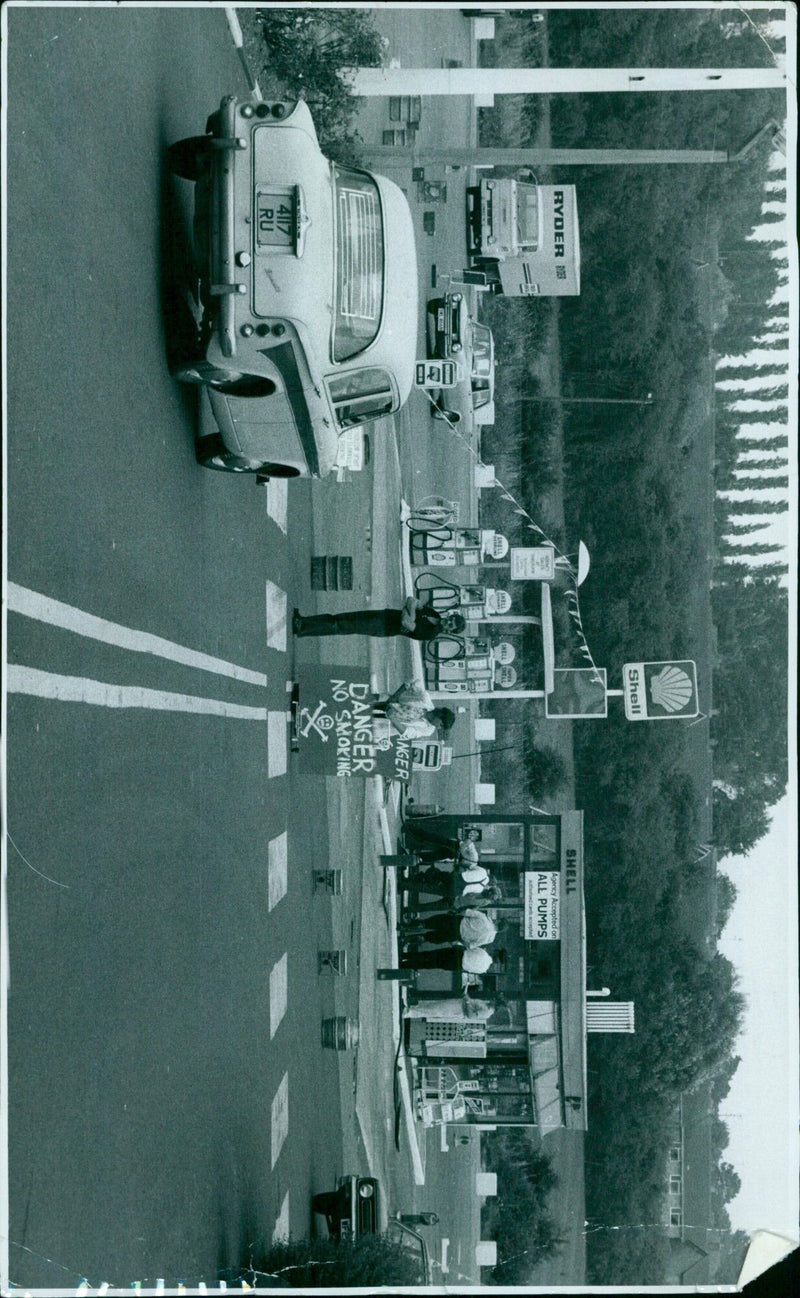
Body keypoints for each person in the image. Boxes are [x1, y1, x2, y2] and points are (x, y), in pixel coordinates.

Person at [292, 597, 465, 642]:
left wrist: (409, 613)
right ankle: (305, 620)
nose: (448, 623)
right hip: (384, 614)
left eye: (451, 626)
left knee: (341, 626)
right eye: (451, 620)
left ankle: (303, 629)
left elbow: (406, 622)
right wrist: (410, 612)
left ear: (450, 631)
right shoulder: (434, 615)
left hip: (383, 626)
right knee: (339, 617)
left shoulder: (431, 633)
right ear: (450, 616)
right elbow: (411, 600)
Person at [372, 681, 456, 740]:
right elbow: (410, 684)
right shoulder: (425, 699)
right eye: (441, 724)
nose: (439, 727)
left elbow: (407, 733)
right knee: (362, 704)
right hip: (384, 704)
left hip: (383, 724)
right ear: (440, 715)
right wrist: (395, 697)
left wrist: (392, 718)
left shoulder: (428, 730)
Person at [400, 908, 498, 950]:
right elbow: (469, 945)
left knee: (428, 923)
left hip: (454, 921)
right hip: (456, 935)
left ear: (498, 921)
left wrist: (456, 914)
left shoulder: (484, 918)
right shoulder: (489, 939)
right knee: (429, 938)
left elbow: (466, 912)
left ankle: (405, 926)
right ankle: (406, 940)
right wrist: (459, 939)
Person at [400, 946, 506, 975]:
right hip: (456, 966)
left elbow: (469, 948)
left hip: (456, 954)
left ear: (496, 952)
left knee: (430, 954)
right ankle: (405, 965)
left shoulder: (483, 952)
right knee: (430, 964)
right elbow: (469, 971)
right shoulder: (484, 969)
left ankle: (405, 955)